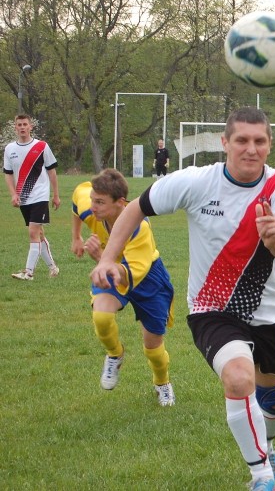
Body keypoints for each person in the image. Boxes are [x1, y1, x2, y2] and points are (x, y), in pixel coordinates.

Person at [91, 107, 275, 491]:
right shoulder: (195, 182)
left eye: (259, 141)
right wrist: (108, 257)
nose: (250, 149)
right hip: (211, 309)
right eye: (241, 140)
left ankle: (268, 445)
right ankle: (261, 476)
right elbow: (136, 208)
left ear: (270, 145)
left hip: (269, 313)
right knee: (238, 379)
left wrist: (274, 241)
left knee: (272, 401)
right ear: (225, 143)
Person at [71, 169, 176, 406]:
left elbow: (130, 273)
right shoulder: (91, 208)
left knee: (153, 347)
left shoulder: (140, 227)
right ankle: (115, 354)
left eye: (100, 202)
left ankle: (162, 382)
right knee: (101, 317)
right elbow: (78, 198)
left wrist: (102, 260)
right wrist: (76, 237)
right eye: (93, 200)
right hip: (112, 270)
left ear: (121, 203)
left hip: (148, 279)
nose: (93, 206)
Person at [4, 113, 61, 280]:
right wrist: (13, 194)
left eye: (25, 124)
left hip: (40, 196)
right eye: (19, 125)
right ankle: (53, 267)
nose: (22, 127)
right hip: (23, 198)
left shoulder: (42, 146)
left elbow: (52, 171)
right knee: (39, 234)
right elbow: (7, 174)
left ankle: (28, 272)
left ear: (30, 127)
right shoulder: (9, 149)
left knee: (33, 232)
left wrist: (56, 195)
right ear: (15, 128)